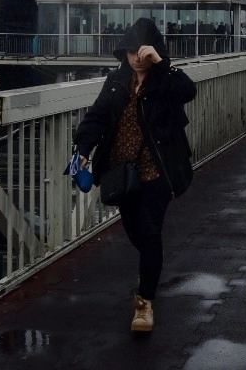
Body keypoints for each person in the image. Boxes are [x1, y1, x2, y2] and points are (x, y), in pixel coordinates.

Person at [72, 17, 198, 333]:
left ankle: (144, 305)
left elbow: (188, 91)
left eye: (141, 52)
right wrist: (83, 149)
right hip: (121, 173)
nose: (135, 58)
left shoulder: (165, 81)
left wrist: (162, 63)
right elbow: (97, 117)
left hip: (156, 171)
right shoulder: (116, 81)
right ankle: (150, 268)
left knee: (150, 230)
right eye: (130, 52)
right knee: (134, 232)